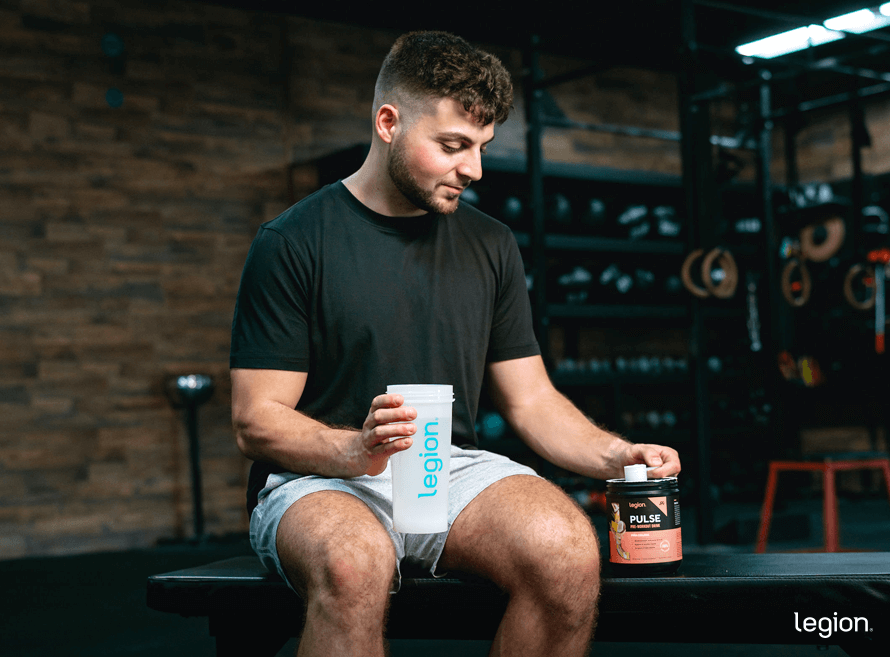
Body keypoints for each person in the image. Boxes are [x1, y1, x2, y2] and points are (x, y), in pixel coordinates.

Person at [230, 30, 681, 657]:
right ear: (389, 123)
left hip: (447, 469)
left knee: (567, 549)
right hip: (318, 479)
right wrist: (355, 449)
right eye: (452, 145)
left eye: (481, 147)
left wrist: (617, 455)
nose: (473, 169)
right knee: (353, 563)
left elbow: (531, 401)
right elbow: (256, 420)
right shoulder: (293, 241)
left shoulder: (492, 244)